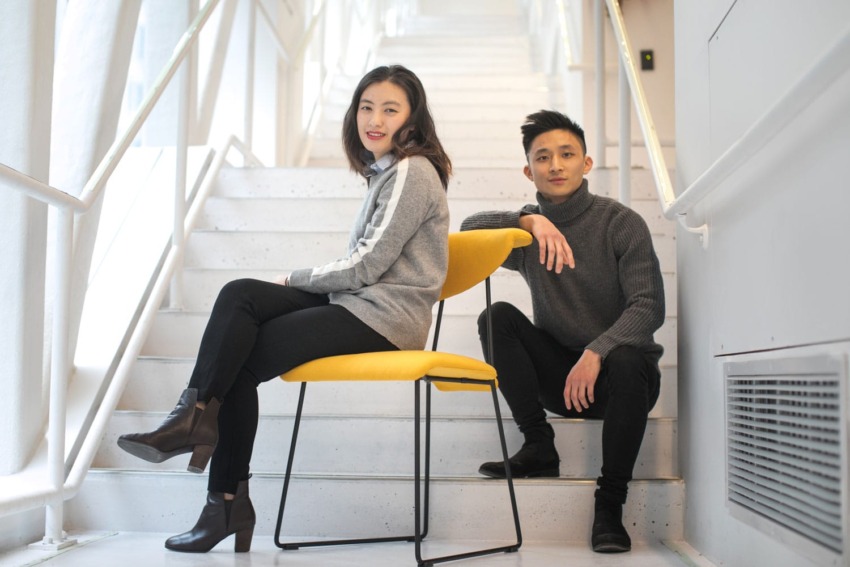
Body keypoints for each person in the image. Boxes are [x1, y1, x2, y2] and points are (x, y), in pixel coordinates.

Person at [117, 64, 452, 553]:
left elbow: (367, 264)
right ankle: (195, 422)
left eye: (389, 109)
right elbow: (364, 267)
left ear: (412, 121)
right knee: (240, 294)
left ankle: (222, 494)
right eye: (365, 106)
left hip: (386, 317)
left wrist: (294, 278)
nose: (373, 119)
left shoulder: (411, 173)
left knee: (241, 359)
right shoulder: (386, 175)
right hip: (361, 303)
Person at [460, 110, 664, 553]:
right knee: (495, 317)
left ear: (586, 163)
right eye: (543, 157)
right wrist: (527, 221)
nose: (555, 165)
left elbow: (649, 307)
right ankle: (539, 446)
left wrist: (597, 352)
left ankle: (609, 505)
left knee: (629, 358)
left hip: (621, 382)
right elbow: (467, 231)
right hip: (559, 380)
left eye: (567, 154)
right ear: (528, 170)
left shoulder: (620, 222)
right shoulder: (528, 234)